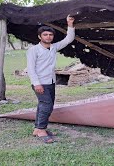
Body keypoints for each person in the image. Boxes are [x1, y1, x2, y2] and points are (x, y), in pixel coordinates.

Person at [27, 15, 75, 143]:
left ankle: (37, 129)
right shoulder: (34, 50)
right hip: (40, 83)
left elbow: (68, 39)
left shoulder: (53, 47)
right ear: (39, 37)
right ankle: (42, 130)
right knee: (47, 105)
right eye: (45, 35)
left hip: (51, 81)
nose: (48, 37)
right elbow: (31, 69)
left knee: (45, 105)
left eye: (50, 35)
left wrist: (70, 24)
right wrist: (36, 84)